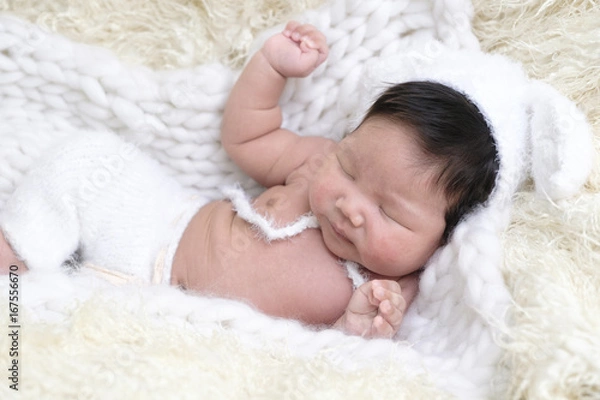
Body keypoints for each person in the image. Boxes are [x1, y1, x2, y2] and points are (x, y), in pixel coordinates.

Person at [0, 22, 498, 338]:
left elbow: (343, 357)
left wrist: (360, 324)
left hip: (183, 329)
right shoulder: (316, 162)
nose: (351, 205)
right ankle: (18, 263)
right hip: (159, 231)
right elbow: (248, 136)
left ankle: (44, 307)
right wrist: (270, 66)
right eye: (350, 168)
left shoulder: (390, 287)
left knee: (75, 331)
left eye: (388, 212)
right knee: (92, 156)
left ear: (442, 237)